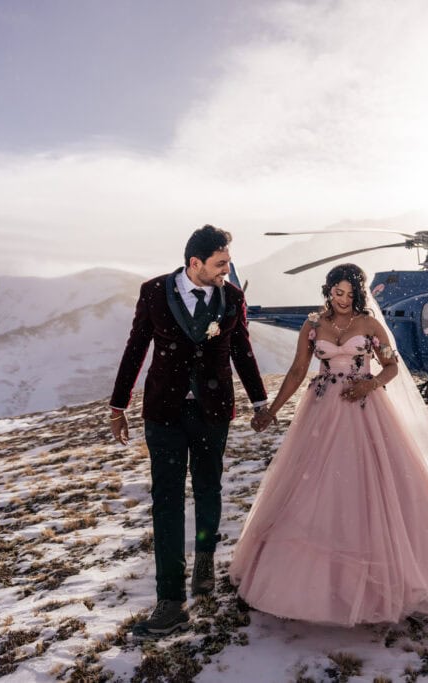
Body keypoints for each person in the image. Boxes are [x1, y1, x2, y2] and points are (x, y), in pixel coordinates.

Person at [231, 263, 428, 626]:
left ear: (359, 295)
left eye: (350, 295)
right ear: (328, 290)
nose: (343, 300)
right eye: (338, 293)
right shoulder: (312, 326)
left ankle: (386, 581)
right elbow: (295, 372)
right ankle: (306, 584)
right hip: (321, 413)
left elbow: (391, 368)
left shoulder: (370, 326)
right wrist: (271, 411)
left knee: (371, 486)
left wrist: (368, 384)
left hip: (365, 409)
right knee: (311, 488)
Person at [109, 225, 269, 637]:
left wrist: (259, 401)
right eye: (220, 264)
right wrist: (118, 404)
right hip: (163, 412)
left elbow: (242, 350)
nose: (226, 270)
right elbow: (135, 347)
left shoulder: (232, 297)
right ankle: (170, 601)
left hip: (213, 412)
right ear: (194, 263)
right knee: (166, 500)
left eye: (228, 263)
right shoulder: (153, 291)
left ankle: (204, 559)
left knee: (208, 489)